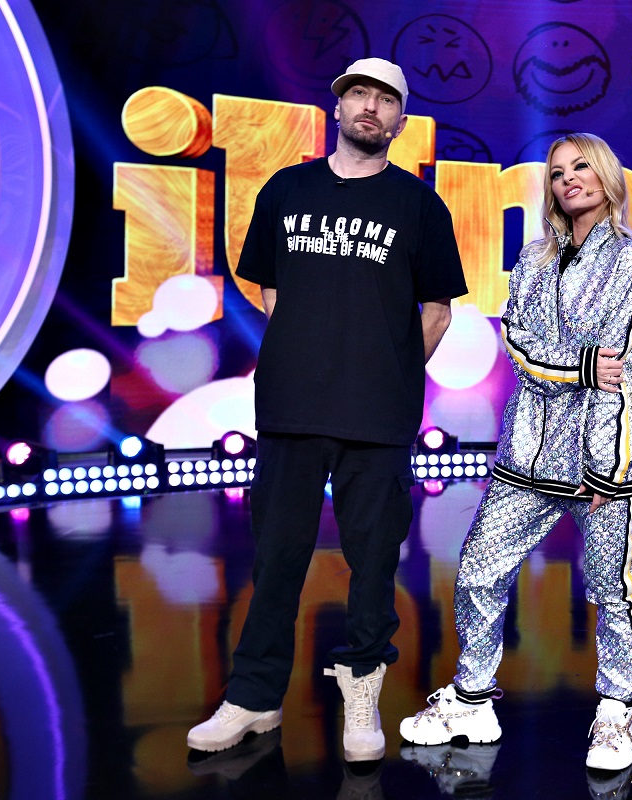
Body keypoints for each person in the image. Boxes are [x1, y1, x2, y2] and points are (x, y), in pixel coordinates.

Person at [186, 57, 468, 761]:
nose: (370, 108)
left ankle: (362, 693)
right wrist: (311, 353)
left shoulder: (420, 205)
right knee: (277, 560)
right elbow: (271, 291)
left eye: (385, 100)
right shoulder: (287, 188)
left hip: (378, 415)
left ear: (400, 120)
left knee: (372, 566)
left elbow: (437, 311)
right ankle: (254, 698)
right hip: (292, 407)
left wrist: (386, 373)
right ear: (337, 108)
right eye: (358, 95)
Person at [398, 133, 632, 771]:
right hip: (526, 454)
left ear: (606, 174)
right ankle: (473, 699)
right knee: (478, 570)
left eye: (581, 166)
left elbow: (622, 372)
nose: (568, 179)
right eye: (557, 172)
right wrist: (579, 364)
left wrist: (608, 469)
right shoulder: (534, 257)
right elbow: (516, 341)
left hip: (603, 458)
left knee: (612, 589)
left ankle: (615, 712)